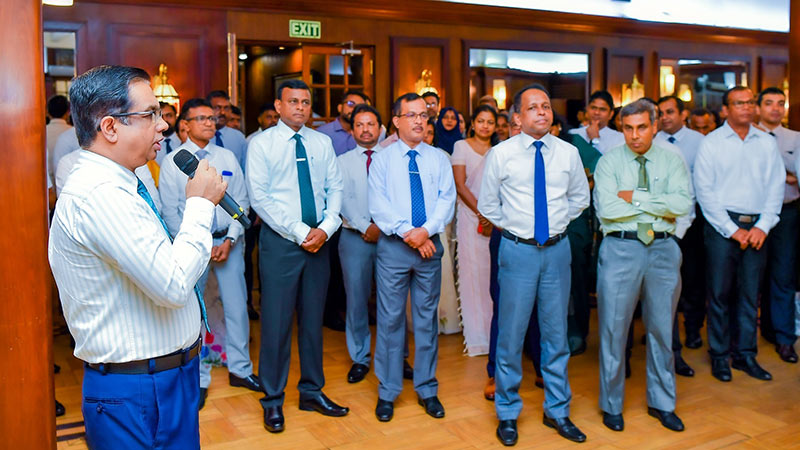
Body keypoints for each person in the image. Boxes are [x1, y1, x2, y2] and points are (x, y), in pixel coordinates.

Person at [49, 65, 227, 448]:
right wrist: (199, 205)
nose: (164, 125)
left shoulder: (123, 181)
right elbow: (174, 284)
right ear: (110, 127)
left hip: (164, 376)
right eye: (150, 115)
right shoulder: (100, 194)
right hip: (137, 388)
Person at [479, 84, 590, 446]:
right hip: (517, 251)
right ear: (518, 117)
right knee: (511, 336)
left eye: (546, 106)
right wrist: (518, 230)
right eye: (533, 108)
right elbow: (489, 205)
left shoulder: (568, 153)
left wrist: (553, 228)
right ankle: (508, 412)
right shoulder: (502, 154)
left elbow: (579, 200)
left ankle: (557, 410)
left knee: (556, 335)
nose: (541, 112)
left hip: (557, 252)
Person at [246, 79, 347, 433]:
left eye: (305, 102)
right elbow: (260, 198)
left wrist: (328, 227)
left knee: (312, 321)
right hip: (282, 243)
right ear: (278, 106)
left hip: (320, 241)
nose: (301, 108)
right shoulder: (261, 145)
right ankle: (272, 399)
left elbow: (334, 187)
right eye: (293, 102)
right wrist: (302, 232)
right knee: (275, 323)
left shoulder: (322, 142)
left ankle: (311, 391)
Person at [594, 99, 691, 433]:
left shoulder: (671, 160)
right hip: (621, 248)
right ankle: (611, 404)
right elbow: (607, 209)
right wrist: (656, 207)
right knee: (613, 329)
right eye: (628, 128)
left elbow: (681, 204)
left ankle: (662, 403)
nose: (634, 135)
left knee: (663, 330)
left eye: (641, 127)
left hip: (663, 249)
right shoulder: (609, 162)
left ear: (655, 125)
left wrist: (632, 197)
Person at [159, 98, 262, 410]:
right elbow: (172, 211)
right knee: (196, 314)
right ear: (185, 125)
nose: (209, 122)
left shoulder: (227, 155)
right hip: (193, 248)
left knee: (237, 308)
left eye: (212, 118)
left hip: (230, 242)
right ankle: (200, 377)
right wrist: (199, 243)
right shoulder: (174, 161)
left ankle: (241, 369)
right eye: (201, 118)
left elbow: (241, 199)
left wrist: (230, 239)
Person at [368, 92, 456, 423]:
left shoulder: (438, 158)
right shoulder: (383, 160)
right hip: (394, 248)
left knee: (425, 321)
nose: (420, 120)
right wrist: (412, 234)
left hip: (429, 247)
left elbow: (446, 201)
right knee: (390, 322)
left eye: (424, 115)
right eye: (412, 115)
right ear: (397, 121)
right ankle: (388, 391)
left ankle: (427, 388)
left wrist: (426, 231)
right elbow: (379, 207)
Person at [694, 86, 784, 382]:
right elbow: (704, 191)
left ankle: (746, 355)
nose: (746, 107)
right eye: (738, 103)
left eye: (750, 102)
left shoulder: (767, 143)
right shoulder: (712, 142)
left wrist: (763, 225)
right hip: (722, 224)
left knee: (749, 296)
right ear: (726, 109)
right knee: (719, 295)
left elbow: (776, 185)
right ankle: (720, 356)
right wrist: (733, 230)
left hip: (759, 224)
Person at [656, 95, 706, 377]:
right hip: (658, 228)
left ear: (682, 114)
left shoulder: (698, 142)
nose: (665, 117)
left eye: (670, 112)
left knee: (690, 281)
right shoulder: (652, 145)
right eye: (660, 113)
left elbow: (694, 186)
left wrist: (680, 229)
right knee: (665, 293)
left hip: (689, 222)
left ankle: (692, 331)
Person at [337, 104, 383, 383]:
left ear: (381, 128)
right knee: (356, 300)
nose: (365, 129)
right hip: (354, 237)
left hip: (390, 237)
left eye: (371, 124)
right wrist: (366, 227)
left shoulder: (392, 158)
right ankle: (360, 358)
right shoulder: (342, 161)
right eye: (360, 125)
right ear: (352, 130)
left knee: (392, 301)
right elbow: (342, 199)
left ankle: (395, 356)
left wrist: (382, 227)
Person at [756, 87, 800, 363]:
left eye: (780, 103)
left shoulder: (795, 138)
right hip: (754, 215)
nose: (775, 108)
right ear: (758, 107)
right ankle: (747, 339)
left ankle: (785, 338)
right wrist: (785, 174)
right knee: (751, 277)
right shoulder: (748, 137)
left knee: (783, 275)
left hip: (788, 214)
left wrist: (789, 174)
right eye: (769, 103)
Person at [452, 105, 496, 356]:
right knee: (472, 276)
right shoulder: (461, 146)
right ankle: (477, 338)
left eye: (490, 122)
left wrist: (491, 215)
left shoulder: (498, 151)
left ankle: (493, 335)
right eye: (481, 121)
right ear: (473, 123)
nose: (485, 126)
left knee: (491, 276)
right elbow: (459, 184)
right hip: (470, 217)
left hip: (494, 219)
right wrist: (481, 212)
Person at [569, 90, 625, 155]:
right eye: (593, 108)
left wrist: (595, 140)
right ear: (587, 109)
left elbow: (607, 162)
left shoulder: (620, 138)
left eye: (602, 109)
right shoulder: (574, 133)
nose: (596, 112)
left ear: (611, 114)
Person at [316, 90, 369, 155]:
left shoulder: (366, 133)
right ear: (340, 108)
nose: (355, 109)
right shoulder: (322, 133)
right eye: (351, 104)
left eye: (360, 107)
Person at [207, 90, 248, 171]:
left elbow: (245, 168)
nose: (222, 112)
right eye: (217, 108)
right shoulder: (201, 136)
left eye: (226, 108)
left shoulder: (238, 137)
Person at [46, 95, 72, 186]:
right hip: (68, 186)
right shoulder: (74, 133)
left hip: (46, 188)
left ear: (47, 112)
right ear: (67, 113)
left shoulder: (40, 133)